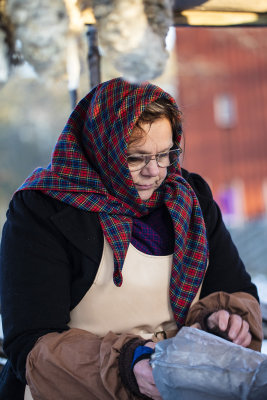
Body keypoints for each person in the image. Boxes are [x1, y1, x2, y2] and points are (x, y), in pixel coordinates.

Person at [0, 77, 263, 400]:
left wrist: (223, 320)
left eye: (166, 154)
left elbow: (234, 288)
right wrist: (127, 365)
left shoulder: (190, 199)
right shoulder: (43, 210)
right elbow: (28, 345)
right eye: (135, 157)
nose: (155, 171)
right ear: (101, 149)